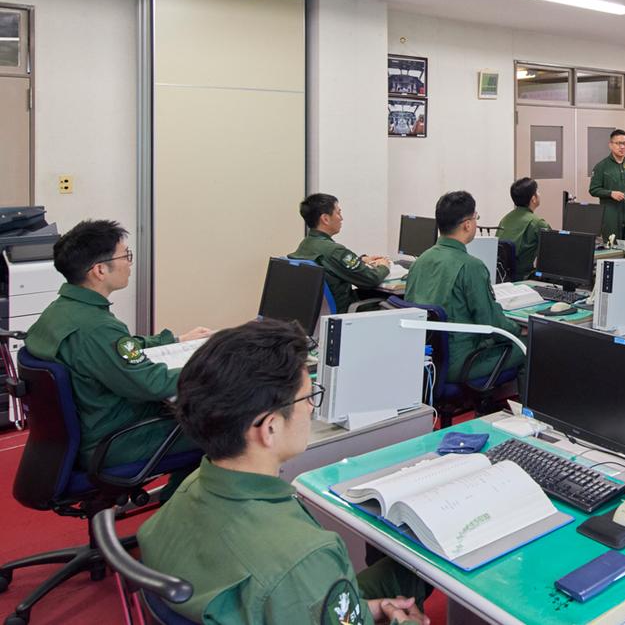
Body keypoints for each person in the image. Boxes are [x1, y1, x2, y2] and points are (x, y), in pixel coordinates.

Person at [138, 319, 430, 624]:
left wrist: (366, 609)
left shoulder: (190, 487)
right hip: (294, 595)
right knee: (414, 568)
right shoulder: (305, 555)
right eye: (307, 397)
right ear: (270, 428)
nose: (312, 408)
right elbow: (298, 582)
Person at [23, 219, 211, 468]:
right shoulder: (97, 328)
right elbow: (152, 383)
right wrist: (215, 368)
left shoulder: (61, 311)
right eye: (125, 256)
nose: (130, 263)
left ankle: (180, 491)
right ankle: (183, 493)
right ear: (100, 270)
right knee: (224, 429)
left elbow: (115, 350)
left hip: (86, 431)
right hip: (115, 441)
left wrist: (175, 340)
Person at [405, 191, 523, 383]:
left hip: (427, 359)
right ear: (467, 225)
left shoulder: (421, 260)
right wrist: (518, 329)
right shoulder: (471, 266)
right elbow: (492, 323)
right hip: (462, 362)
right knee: (530, 346)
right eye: (476, 218)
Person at [291, 193, 391, 314]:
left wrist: (361, 260)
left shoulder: (306, 244)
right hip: (345, 312)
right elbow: (371, 279)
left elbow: (331, 264)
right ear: (325, 219)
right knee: (395, 301)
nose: (341, 218)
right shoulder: (335, 251)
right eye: (338, 213)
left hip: (318, 313)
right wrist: (384, 266)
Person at [588, 129, 625, 241]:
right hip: (610, 214)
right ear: (610, 145)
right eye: (618, 143)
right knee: (612, 244)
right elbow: (593, 189)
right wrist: (611, 193)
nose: (622, 147)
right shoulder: (601, 166)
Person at [496, 177, 552, 282]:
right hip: (524, 279)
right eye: (537, 191)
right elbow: (553, 254)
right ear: (533, 199)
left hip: (502, 278)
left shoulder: (505, 219)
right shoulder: (537, 223)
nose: (539, 194)